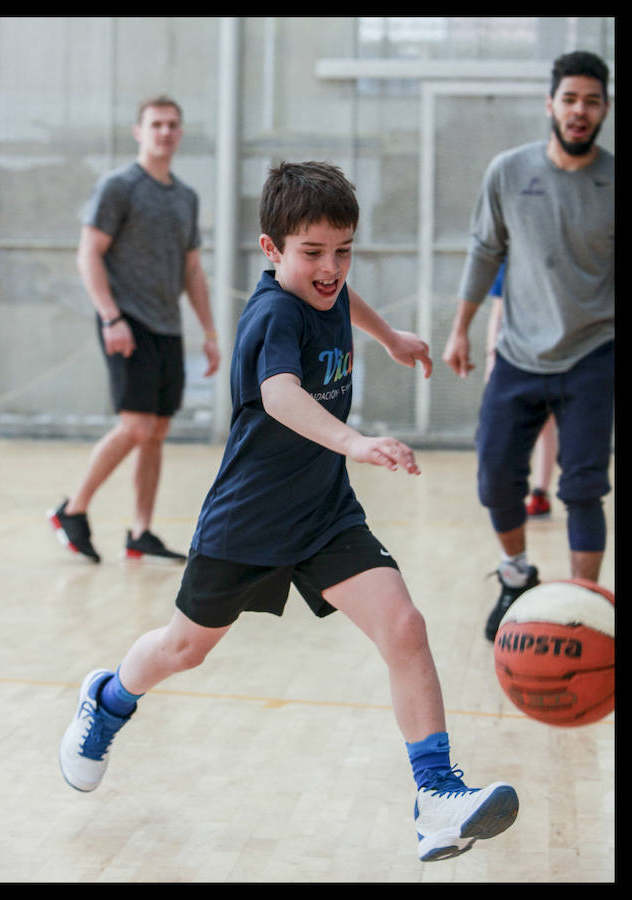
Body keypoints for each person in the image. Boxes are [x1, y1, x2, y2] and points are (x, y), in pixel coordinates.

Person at [59, 161, 519, 863]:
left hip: (323, 513)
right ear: (272, 252)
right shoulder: (273, 311)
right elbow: (279, 395)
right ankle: (110, 698)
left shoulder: (321, 286)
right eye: (312, 253)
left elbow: (339, 298)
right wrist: (354, 441)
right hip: (247, 523)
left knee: (405, 626)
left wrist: (389, 337)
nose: (331, 268)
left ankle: (436, 797)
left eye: (343, 250)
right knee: (185, 649)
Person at [443, 51, 614, 642]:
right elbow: (484, 251)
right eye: (570, 99)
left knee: (583, 486)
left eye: (592, 101)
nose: (579, 111)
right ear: (551, 104)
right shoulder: (509, 172)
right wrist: (461, 327)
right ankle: (516, 576)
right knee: (495, 476)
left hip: (594, 351)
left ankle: (585, 607)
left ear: (605, 110)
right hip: (517, 353)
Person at [48, 95, 220, 564]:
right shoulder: (118, 186)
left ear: (180, 133)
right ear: (138, 131)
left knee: (157, 431)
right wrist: (111, 316)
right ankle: (72, 509)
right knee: (137, 426)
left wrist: (208, 331)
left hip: (168, 328)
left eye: (173, 125)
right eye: (156, 124)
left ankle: (140, 531)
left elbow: (192, 271)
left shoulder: (185, 197)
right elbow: (88, 253)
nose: (165, 131)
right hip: (128, 323)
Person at [484, 262, 558, 519]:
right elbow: (498, 313)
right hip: (514, 359)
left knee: (547, 426)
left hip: (554, 355)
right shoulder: (509, 263)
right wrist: (491, 356)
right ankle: (509, 491)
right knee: (506, 428)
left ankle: (539, 492)